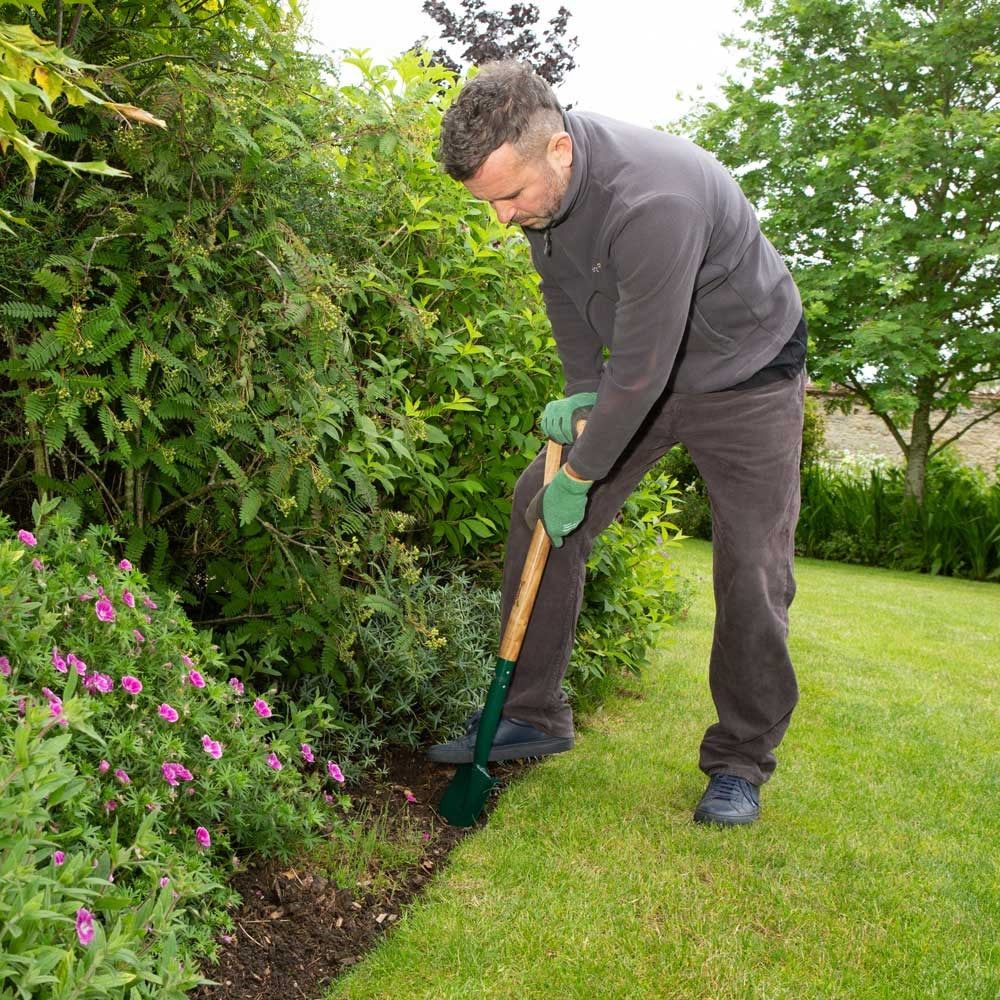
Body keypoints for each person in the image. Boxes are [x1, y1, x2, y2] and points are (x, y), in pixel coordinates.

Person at [426, 61, 807, 827]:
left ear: (559, 151)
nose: (501, 218)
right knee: (538, 505)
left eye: (509, 196)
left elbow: (641, 367)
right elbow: (564, 295)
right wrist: (579, 392)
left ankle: (739, 761)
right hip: (648, 372)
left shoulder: (652, 201)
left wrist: (586, 471)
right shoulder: (548, 205)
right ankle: (531, 711)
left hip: (746, 376)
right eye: (489, 201)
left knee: (751, 567)